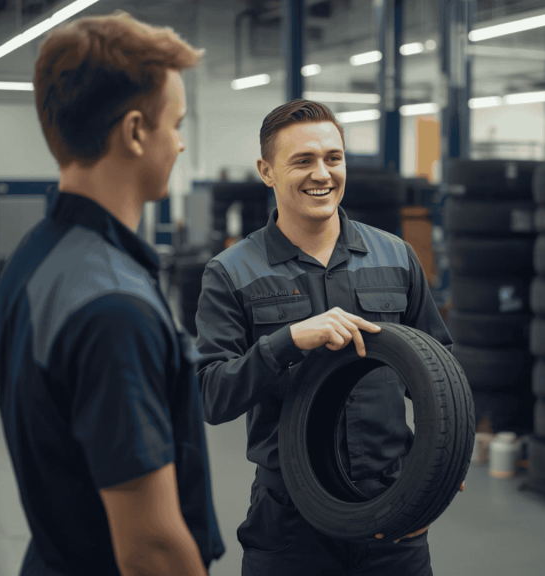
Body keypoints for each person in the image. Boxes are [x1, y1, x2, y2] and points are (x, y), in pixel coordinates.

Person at [0, 12, 224, 576]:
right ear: (136, 131)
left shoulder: (35, 258)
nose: (181, 142)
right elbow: (151, 550)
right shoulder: (112, 307)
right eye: (176, 122)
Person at [193, 99, 453, 576]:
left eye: (334, 158)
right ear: (266, 171)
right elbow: (211, 394)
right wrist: (285, 341)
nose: (323, 173)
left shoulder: (395, 256)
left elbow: (443, 375)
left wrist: (433, 482)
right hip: (290, 522)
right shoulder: (230, 273)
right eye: (303, 160)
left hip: (392, 511)